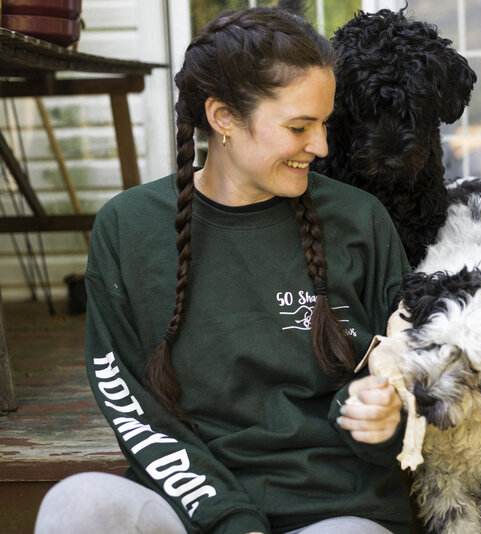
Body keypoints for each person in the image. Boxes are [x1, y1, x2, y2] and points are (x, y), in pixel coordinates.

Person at [35, 6, 412, 534]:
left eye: (324, 124)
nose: (322, 147)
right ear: (224, 118)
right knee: (79, 503)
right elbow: (130, 404)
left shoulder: (359, 220)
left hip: (334, 511)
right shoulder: (128, 228)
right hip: (193, 505)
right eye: (300, 126)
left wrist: (382, 416)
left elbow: (405, 369)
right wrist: (230, 521)